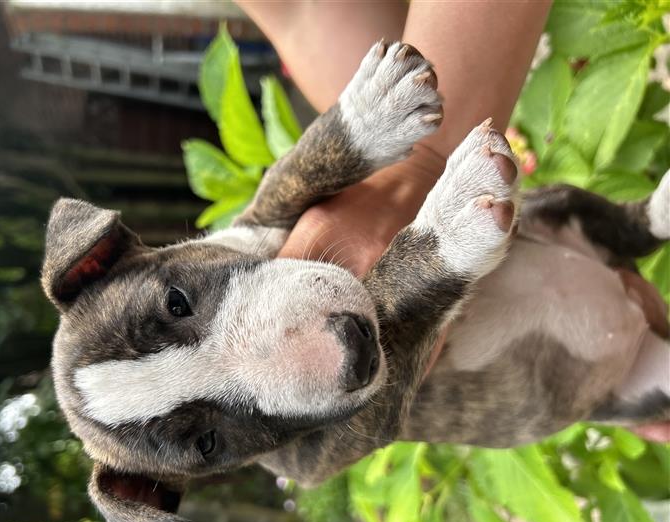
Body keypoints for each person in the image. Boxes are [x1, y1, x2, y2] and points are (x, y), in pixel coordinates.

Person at [235, 0, 670, 442]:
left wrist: (409, 158)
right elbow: (301, 13)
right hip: (585, 368)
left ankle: (647, 223)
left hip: (554, 263)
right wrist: (419, 158)